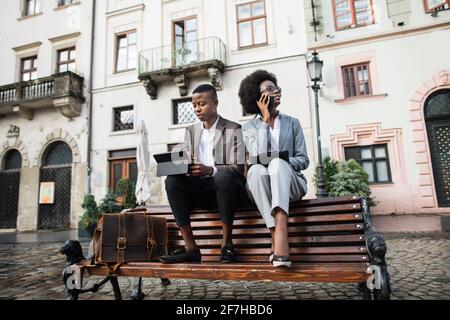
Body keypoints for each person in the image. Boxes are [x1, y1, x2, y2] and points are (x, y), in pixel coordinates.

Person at [159, 84, 246, 264]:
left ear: (215, 103)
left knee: (223, 177)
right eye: (194, 105)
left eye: (202, 104)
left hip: (227, 191)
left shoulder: (233, 128)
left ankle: (227, 245)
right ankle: (191, 248)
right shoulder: (191, 131)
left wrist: (210, 170)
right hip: (201, 190)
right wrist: (180, 164)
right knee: (172, 181)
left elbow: (238, 167)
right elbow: (183, 156)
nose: (197, 109)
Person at [238, 70, 310, 268]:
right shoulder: (248, 128)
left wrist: (283, 163)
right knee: (256, 171)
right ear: (257, 96)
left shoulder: (292, 123)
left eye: (277, 88)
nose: (276, 91)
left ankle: (280, 231)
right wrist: (265, 120)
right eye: (270, 89)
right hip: (261, 188)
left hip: (291, 185)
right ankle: (275, 235)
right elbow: (256, 156)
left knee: (277, 163)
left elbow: (303, 160)